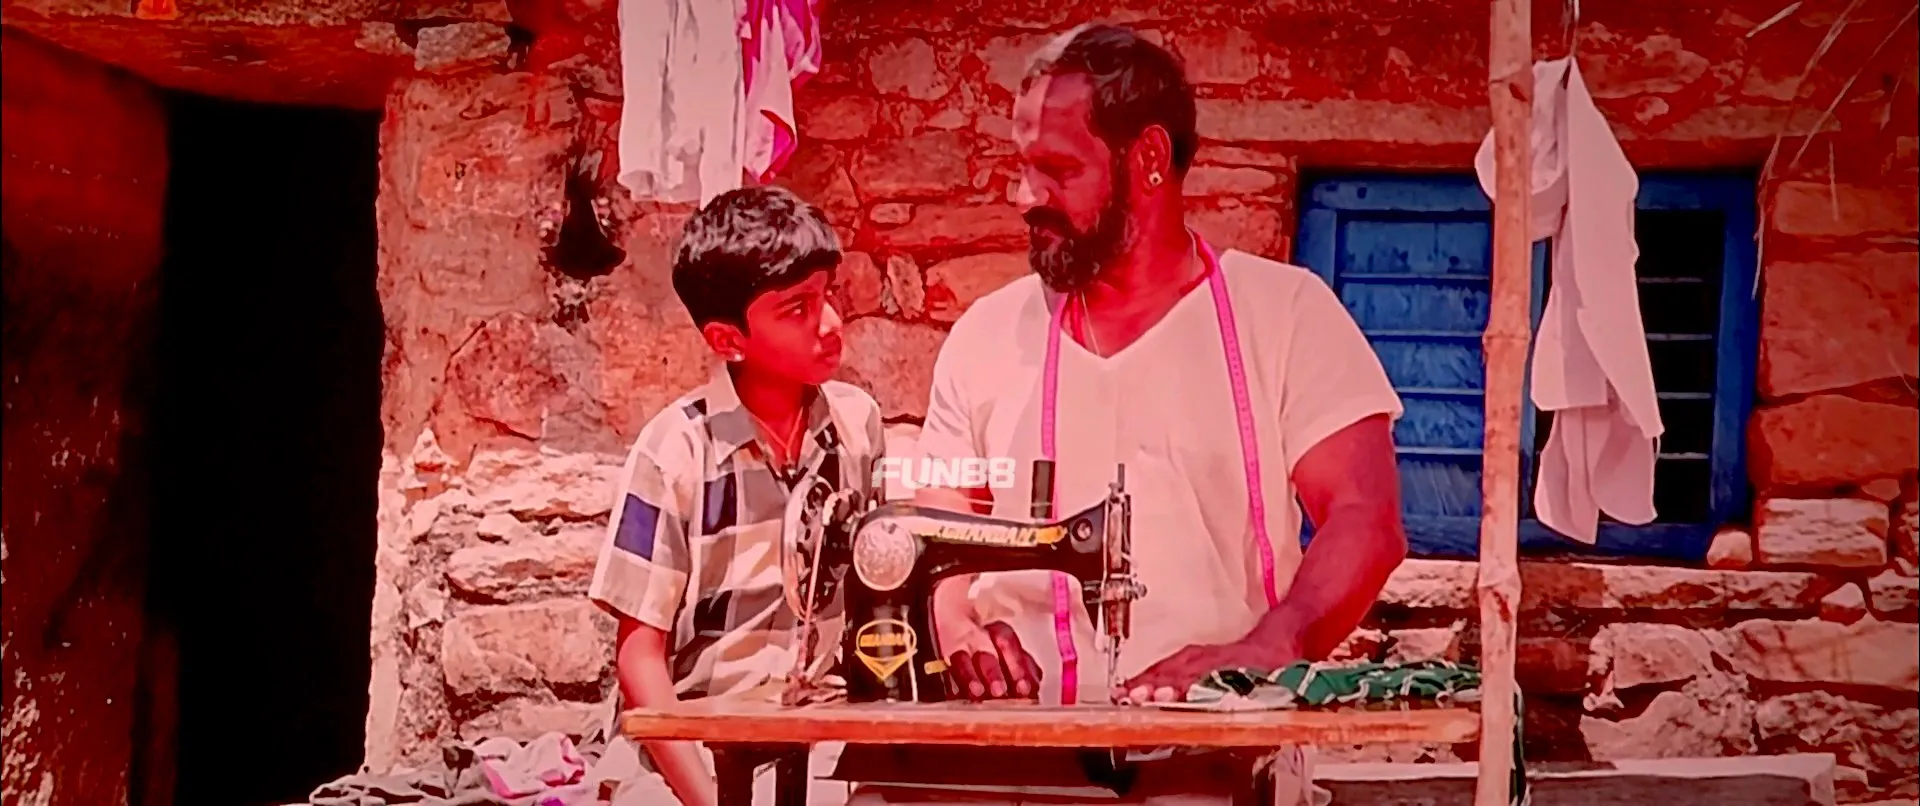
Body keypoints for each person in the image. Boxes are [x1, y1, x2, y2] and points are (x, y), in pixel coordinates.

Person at [852, 24, 1410, 806]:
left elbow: (1364, 519)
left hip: (1213, 743)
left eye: (1057, 169)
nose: (1024, 198)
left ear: (1149, 158)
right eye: (1021, 167)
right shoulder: (986, 336)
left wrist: (1267, 647)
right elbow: (942, 525)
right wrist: (957, 624)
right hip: (1008, 747)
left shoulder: (1285, 317)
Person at [587, 185, 883, 806]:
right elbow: (640, 659)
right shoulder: (674, 451)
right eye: (797, 308)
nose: (831, 324)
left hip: (818, 743)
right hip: (689, 752)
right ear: (728, 340)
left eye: (827, 294)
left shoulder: (856, 428)